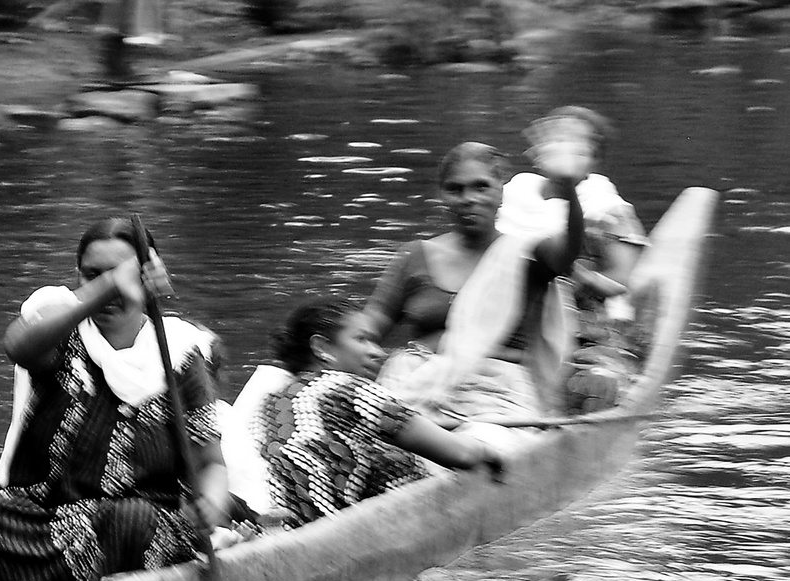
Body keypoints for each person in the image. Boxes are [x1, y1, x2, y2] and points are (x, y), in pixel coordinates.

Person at [0, 216, 234, 581]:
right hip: (42, 513)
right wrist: (109, 286)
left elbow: (211, 462)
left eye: (121, 276)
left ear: (148, 280)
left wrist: (211, 505)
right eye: (92, 276)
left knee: (129, 521)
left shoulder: (178, 353)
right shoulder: (64, 328)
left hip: (139, 520)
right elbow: (19, 346)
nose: (108, 290)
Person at [363, 139, 586, 427]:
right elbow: (368, 328)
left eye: (481, 186)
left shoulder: (527, 254)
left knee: (486, 445)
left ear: (501, 193)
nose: (468, 198)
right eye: (455, 189)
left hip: (497, 396)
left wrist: (568, 188)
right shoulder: (414, 256)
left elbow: (568, 251)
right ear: (441, 196)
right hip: (413, 386)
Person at [254, 298, 503, 528]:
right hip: (352, 530)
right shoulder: (348, 388)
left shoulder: (269, 403)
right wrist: (492, 451)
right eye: (362, 339)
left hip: (296, 528)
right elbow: (461, 454)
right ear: (321, 347)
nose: (377, 351)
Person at [499, 106, 649, 411]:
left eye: (576, 147)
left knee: (594, 385)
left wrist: (575, 274)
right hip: (513, 327)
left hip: (585, 331)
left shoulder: (606, 210)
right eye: (556, 140)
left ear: (591, 161)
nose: (562, 150)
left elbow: (622, 280)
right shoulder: (510, 197)